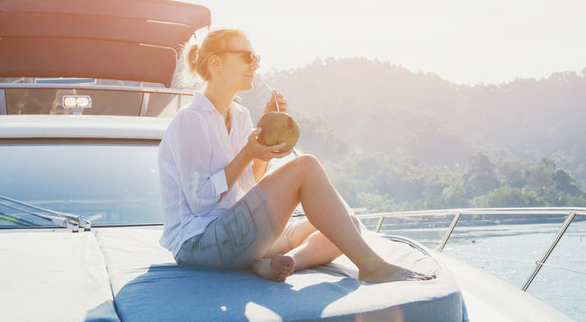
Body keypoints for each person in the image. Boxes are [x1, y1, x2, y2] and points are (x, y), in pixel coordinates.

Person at [158, 28, 432, 284]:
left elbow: (246, 185)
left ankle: (282, 262)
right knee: (305, 167)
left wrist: (264, 141)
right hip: (199, 243)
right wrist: (247, 153)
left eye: (257, 57)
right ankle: (372, 267)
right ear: (216, 64)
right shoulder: (190, 121)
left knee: (347, 227)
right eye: (247, 57)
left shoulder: (240, 115)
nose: (255, 65)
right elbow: (200, 203)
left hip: (233, 233)